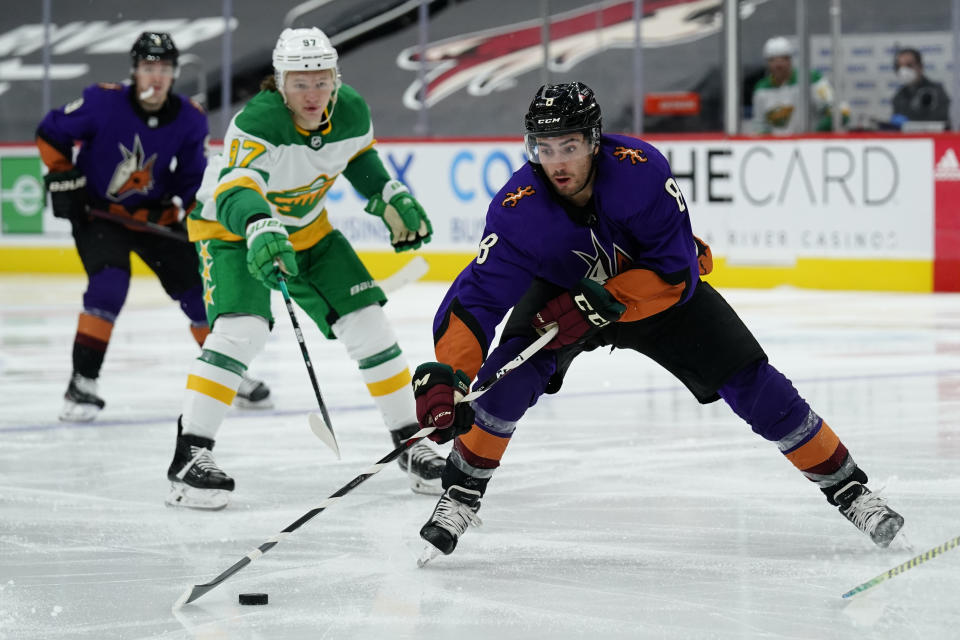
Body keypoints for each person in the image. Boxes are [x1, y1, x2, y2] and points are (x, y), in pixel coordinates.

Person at [411, 81, 905, 561]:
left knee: (753, 381)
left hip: (657, 296)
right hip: (563, 294)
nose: (556, 162)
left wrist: (608, 299)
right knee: (504, 383)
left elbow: (676, 272)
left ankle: (851, 490)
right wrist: (452, 374)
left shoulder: (641, 171)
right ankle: (460, 494)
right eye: (544, 147)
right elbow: (476, 297)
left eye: (569, 145)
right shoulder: (516, 209)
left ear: (594, 141)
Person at [165, 27, 441, 510]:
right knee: (240, 331)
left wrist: (386, 192)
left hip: (308, 230)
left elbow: (356, 156)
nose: (312, 94)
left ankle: (409, 443)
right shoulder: (259, 120)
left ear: (335, 78)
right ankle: (191, 456)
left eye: (321, 80)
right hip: (234, 230)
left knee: (371, 325)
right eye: (299, 83)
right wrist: (258, 223)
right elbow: (237, 188)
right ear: (279, 82)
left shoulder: (351, 109)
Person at [36, 31, 271, 423]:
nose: (156, 77)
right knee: (109, 285)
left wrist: (201, 213)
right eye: (148, 68)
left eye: (164, 68)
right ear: (135, 71)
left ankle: (228, 370)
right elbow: (50, 131)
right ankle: (83, 380)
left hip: (153, 219)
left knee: (199, 290)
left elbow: (193, 178)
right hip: (100, 217)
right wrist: (64, 175)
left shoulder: (190, 119)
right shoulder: (102, 101)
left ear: (175, 73)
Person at [751, 36, 846, 134]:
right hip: (777, 148)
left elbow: (842, 113)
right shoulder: (761, 88)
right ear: (767, 63)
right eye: (773, 60)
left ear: (790, 60)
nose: (778, 65)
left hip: (811, 145)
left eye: (783, 59)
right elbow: (760, 126)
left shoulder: (811, 79)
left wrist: (816, 135)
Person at [890, 47, 951, 129]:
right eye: (899, 66)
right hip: (908, 141)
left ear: (920, 66)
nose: (903, 70)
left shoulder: (936, 91)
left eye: (909, 65)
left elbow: (941, 121)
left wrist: (910, 122)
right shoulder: (899, 96)